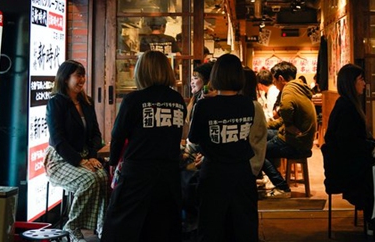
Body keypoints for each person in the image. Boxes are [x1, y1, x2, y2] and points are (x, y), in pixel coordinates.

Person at [101, 51, 187, 242]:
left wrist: (113, 161)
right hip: (169, 173)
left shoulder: (134, 99)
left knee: (123, 225)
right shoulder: (178, 100)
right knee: (163, 226)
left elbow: (118, 135)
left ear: (142, 71)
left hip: (138, 173)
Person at [187, 54, 261, 242]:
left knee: (211, 226)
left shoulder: (205, 105)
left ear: (216, 76)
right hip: (242, 173)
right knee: (243, 225)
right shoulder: (248, 104)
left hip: (214, 172)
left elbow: (194, 138)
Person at [44, 60, 108, 242]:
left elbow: (96, 134)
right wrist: (80, 161)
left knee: (102, 176)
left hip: (84, 156)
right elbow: (58, 139)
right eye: (78, 75)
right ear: (65, 79)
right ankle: (72, 226)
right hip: (59, 160)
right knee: (89, 180)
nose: (82, 79)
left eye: (83, 75)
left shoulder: (86, 103)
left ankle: (101, 226)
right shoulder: (56, 103)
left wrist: (92, 157)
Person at [321, 64, 375, 220]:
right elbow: (349, 144)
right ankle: (373, 222)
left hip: (344, 162)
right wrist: (373, 145)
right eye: (361, 79)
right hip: (346, 168)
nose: (364, 83)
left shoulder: (346, 104)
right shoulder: (347, 108)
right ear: (351, 82)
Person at [262, 61, 317, 198]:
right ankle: (271, 179)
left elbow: (286, 109)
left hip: (296, 143)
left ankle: (282, 187)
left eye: (274, 80)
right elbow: (284, 118)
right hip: (300, 139)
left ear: (280, 78)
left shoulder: (288, 90)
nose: (274, 84)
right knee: (264, 134)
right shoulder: (298, 88)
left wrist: (289, 125)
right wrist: (266, 126)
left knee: (257, 152)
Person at [242, 66, 268, 177]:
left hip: (250, 163)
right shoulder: (254, 105)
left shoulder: (251, 106)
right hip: (252, 160)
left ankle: (280, 184)